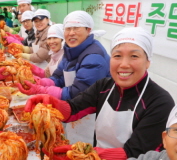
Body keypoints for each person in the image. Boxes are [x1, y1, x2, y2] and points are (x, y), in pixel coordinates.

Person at [24, 27, 174, 160]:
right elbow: (74, 109)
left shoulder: (160, 102)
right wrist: (51, 103)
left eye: (134, 56)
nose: (124, 64)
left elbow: (135, 154)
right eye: (117, 55)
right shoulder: (104, 86)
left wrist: (82, 154)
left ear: (148, 61)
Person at [18, 11, 110, 144]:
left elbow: (79, 92)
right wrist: (41, 82)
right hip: (73, 111)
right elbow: (59, 77)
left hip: (89, 115)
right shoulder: (71, 49)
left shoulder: (93, 57)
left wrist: (42, 90)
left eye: (76, 28)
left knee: (84, 151)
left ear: (88, 30)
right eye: (68, 28)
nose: (71, 33)